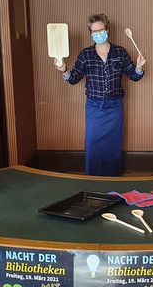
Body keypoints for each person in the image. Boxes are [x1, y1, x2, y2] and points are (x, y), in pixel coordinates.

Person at [55, 13, 146, 176]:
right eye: (95, 31)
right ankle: (93, 179)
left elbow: (134, 76)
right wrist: (64, 70)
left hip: (115, 106)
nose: (98, 34)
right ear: (90, 33)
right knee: (93, 144)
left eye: (101, 30)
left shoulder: (120, 52)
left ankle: (112, 179)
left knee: (113, 144)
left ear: (107, 29)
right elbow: (74, 79)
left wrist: (139, 67)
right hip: (94, 106)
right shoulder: (85, 55)